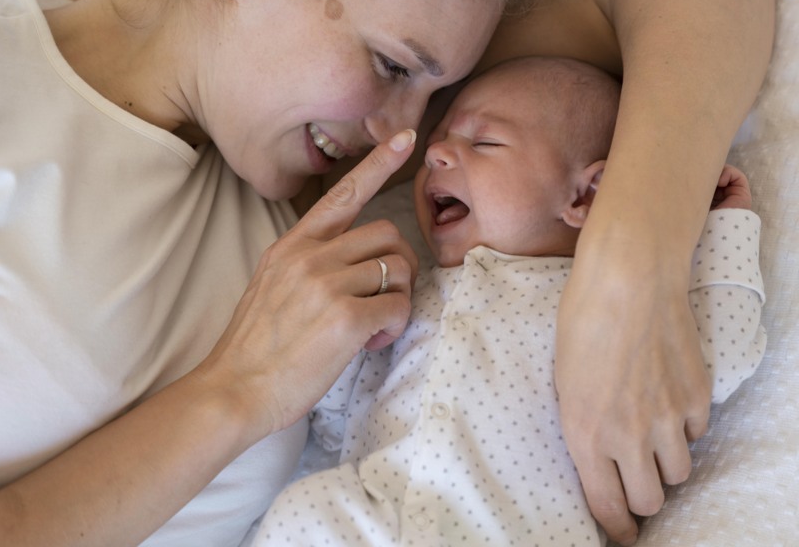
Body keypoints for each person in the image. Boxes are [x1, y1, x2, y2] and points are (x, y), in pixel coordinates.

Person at [0, 0, 775, 545]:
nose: (403, 136)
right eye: (394, 67)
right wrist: (240, 390)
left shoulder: (305, 164)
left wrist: (627, 272)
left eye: (439, 85)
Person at [252, 57, 766, 546]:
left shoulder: (611, 301)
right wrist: (346, 329)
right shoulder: (411, 295)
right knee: (304, 511)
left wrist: (725, 229)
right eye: (437, 141)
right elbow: (336, 422)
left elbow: (716, 362)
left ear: (585, 197)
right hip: (378, 517)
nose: (434, 155)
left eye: (485, 141)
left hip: (516, 532)